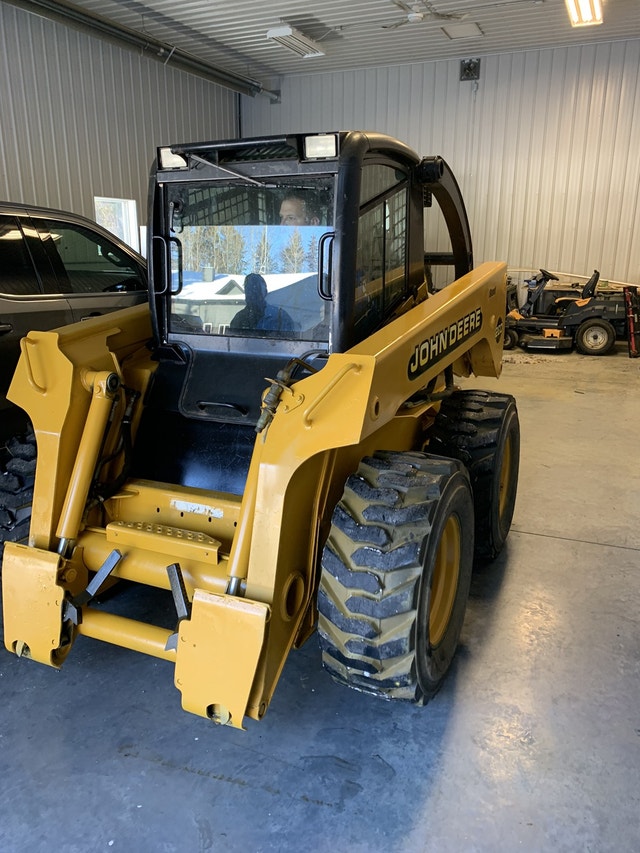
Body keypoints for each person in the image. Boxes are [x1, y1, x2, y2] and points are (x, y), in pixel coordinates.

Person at [230, 273, 295, 335]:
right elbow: (232, 341)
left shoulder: (280, 317)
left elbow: (290, 341)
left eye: (257, 289)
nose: (252, 294)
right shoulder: (238, 319)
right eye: (249, 290)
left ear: (265, 292)